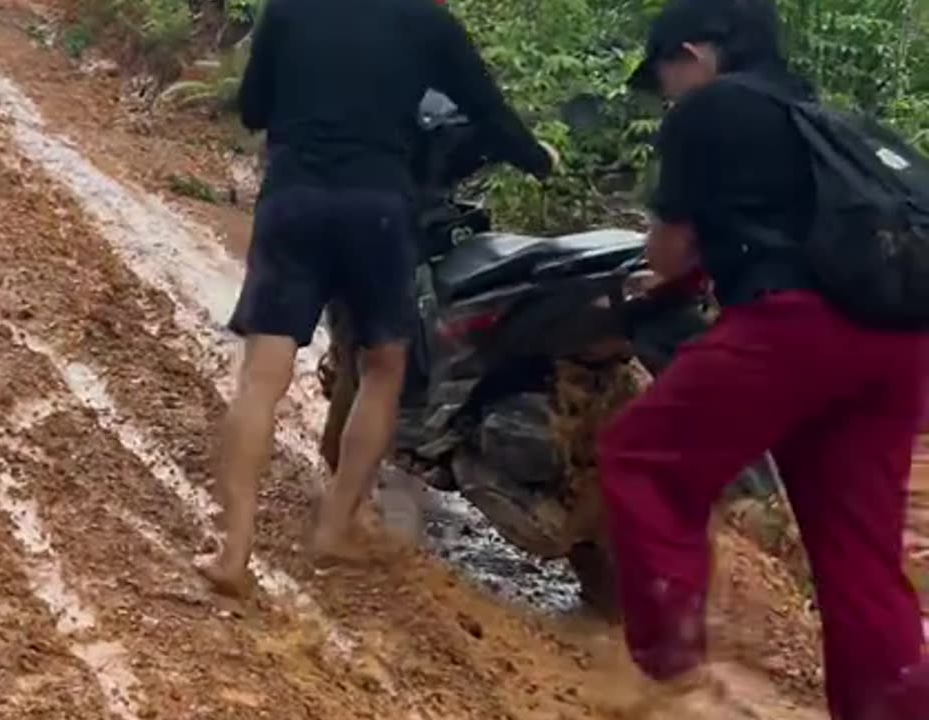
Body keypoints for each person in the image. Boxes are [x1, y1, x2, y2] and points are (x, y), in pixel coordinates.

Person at [598, 0, 928, 717]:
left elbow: (669, 250)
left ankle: (673, 672)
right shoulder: (827, 121)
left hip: (796, 327)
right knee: (856, 548)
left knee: (642, 458)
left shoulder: (709, 111)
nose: (668, 92)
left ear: (695, 51)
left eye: (665, 74)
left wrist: (659, 278)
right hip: (898, 340)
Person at [198, 0, 555, 595]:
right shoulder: (426, 21)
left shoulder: (290, 10)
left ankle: (232, 551)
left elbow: (254, 107)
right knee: (384, 367)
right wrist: (537, 157)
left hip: (294, 199)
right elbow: (489, 112)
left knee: (262, 375)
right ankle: (335, 528)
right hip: (379, 211)